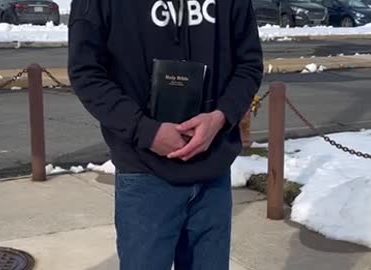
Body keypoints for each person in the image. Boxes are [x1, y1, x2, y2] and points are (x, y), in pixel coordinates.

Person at [68, 0, 263, 269]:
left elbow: (249, 64)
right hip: (144, 173)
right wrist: (145, 130)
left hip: (212, 172)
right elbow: (86, 72)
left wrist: (220, 117)